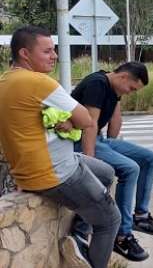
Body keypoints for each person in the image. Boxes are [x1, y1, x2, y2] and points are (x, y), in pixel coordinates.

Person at [0, 26, 121, 268]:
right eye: (47, 51)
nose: (54, 56)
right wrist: (69, 119)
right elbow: (87, 120)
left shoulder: (5, 80)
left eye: (54, 50)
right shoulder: (38, 82)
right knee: (109, 220)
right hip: (57, 172)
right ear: (25, 53)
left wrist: (63, 121)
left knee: (107, 173)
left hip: (32, 169)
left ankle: (78, 233)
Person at [72, 62, 153, 262]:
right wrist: (90, 162)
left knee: (150, 158)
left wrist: (113, 147)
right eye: (131, 88)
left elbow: (116, 118)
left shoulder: (114, 87)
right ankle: (122, 236)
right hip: (80, 140)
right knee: (130, 169)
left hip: (101, 139)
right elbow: (90, 124)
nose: (131, 92)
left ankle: (141, 216)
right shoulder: (97, 84)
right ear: (123, 77)